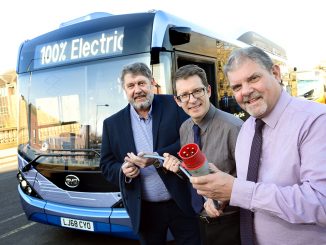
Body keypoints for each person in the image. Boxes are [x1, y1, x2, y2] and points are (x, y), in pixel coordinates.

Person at [190, 47, 326, 245]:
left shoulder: (315, 121)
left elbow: (321, 203)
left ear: (275, 73)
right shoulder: (247, 129)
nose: (245, 91)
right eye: (237, 87)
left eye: (253, 78)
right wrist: (224, 193)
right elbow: (252, 187)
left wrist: (237, 190)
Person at [99, 62, 201, 245]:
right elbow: (106, 165)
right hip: (145, 209)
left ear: (152, 83)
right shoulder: (111, 124)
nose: (137, 90)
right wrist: (123, 170)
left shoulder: (175, 104)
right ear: (124, 89)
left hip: (181, 201)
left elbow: (192, 138)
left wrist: (156, 158)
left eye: (141, 83)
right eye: (131, 85)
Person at [163, 64, 243, 245]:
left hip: (230, 224)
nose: (191, 100)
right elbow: (195, 171)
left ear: (208, 90)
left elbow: (251, 180)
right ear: (177, 101)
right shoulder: (185, 128)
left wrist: (222, 198)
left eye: (197, 91)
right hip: (198, 219)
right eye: (184, 95)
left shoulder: (234, 127)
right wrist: (178, 166)